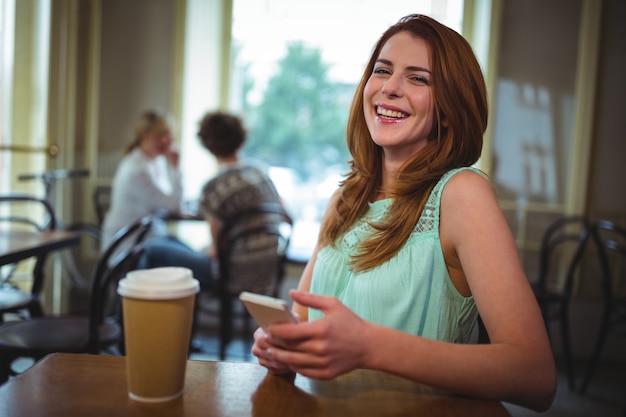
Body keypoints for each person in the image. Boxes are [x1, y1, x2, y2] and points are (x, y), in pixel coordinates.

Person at [251, 14, 556, 412]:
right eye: (382, 71)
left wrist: (369, 346)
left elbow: (535, 376)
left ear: (448, 110)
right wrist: (283, 344)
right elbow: (303, 314)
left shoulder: (462, 194)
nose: (390, 88)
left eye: (418, 78)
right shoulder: (345, 197)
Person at [137, 111, 284, 292]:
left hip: (233, 275)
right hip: (268, 271)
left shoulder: (215, 187)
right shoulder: (260, 172)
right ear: (241, 138)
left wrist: (206, 250)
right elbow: (284, 213)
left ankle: (134, 314)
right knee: (171, 241)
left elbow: (216, 250)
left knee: (152, 249)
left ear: (208, 146)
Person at [101, 110, 183, 250]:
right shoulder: (137, 170)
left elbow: (170, 201)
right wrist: (175, 169)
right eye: (162, 134)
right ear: (145, 135)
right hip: (133, 247)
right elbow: (173, 206)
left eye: (169, 134)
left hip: (154, 237)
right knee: (200, 264)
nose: (168, 141)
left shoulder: (157, 162)